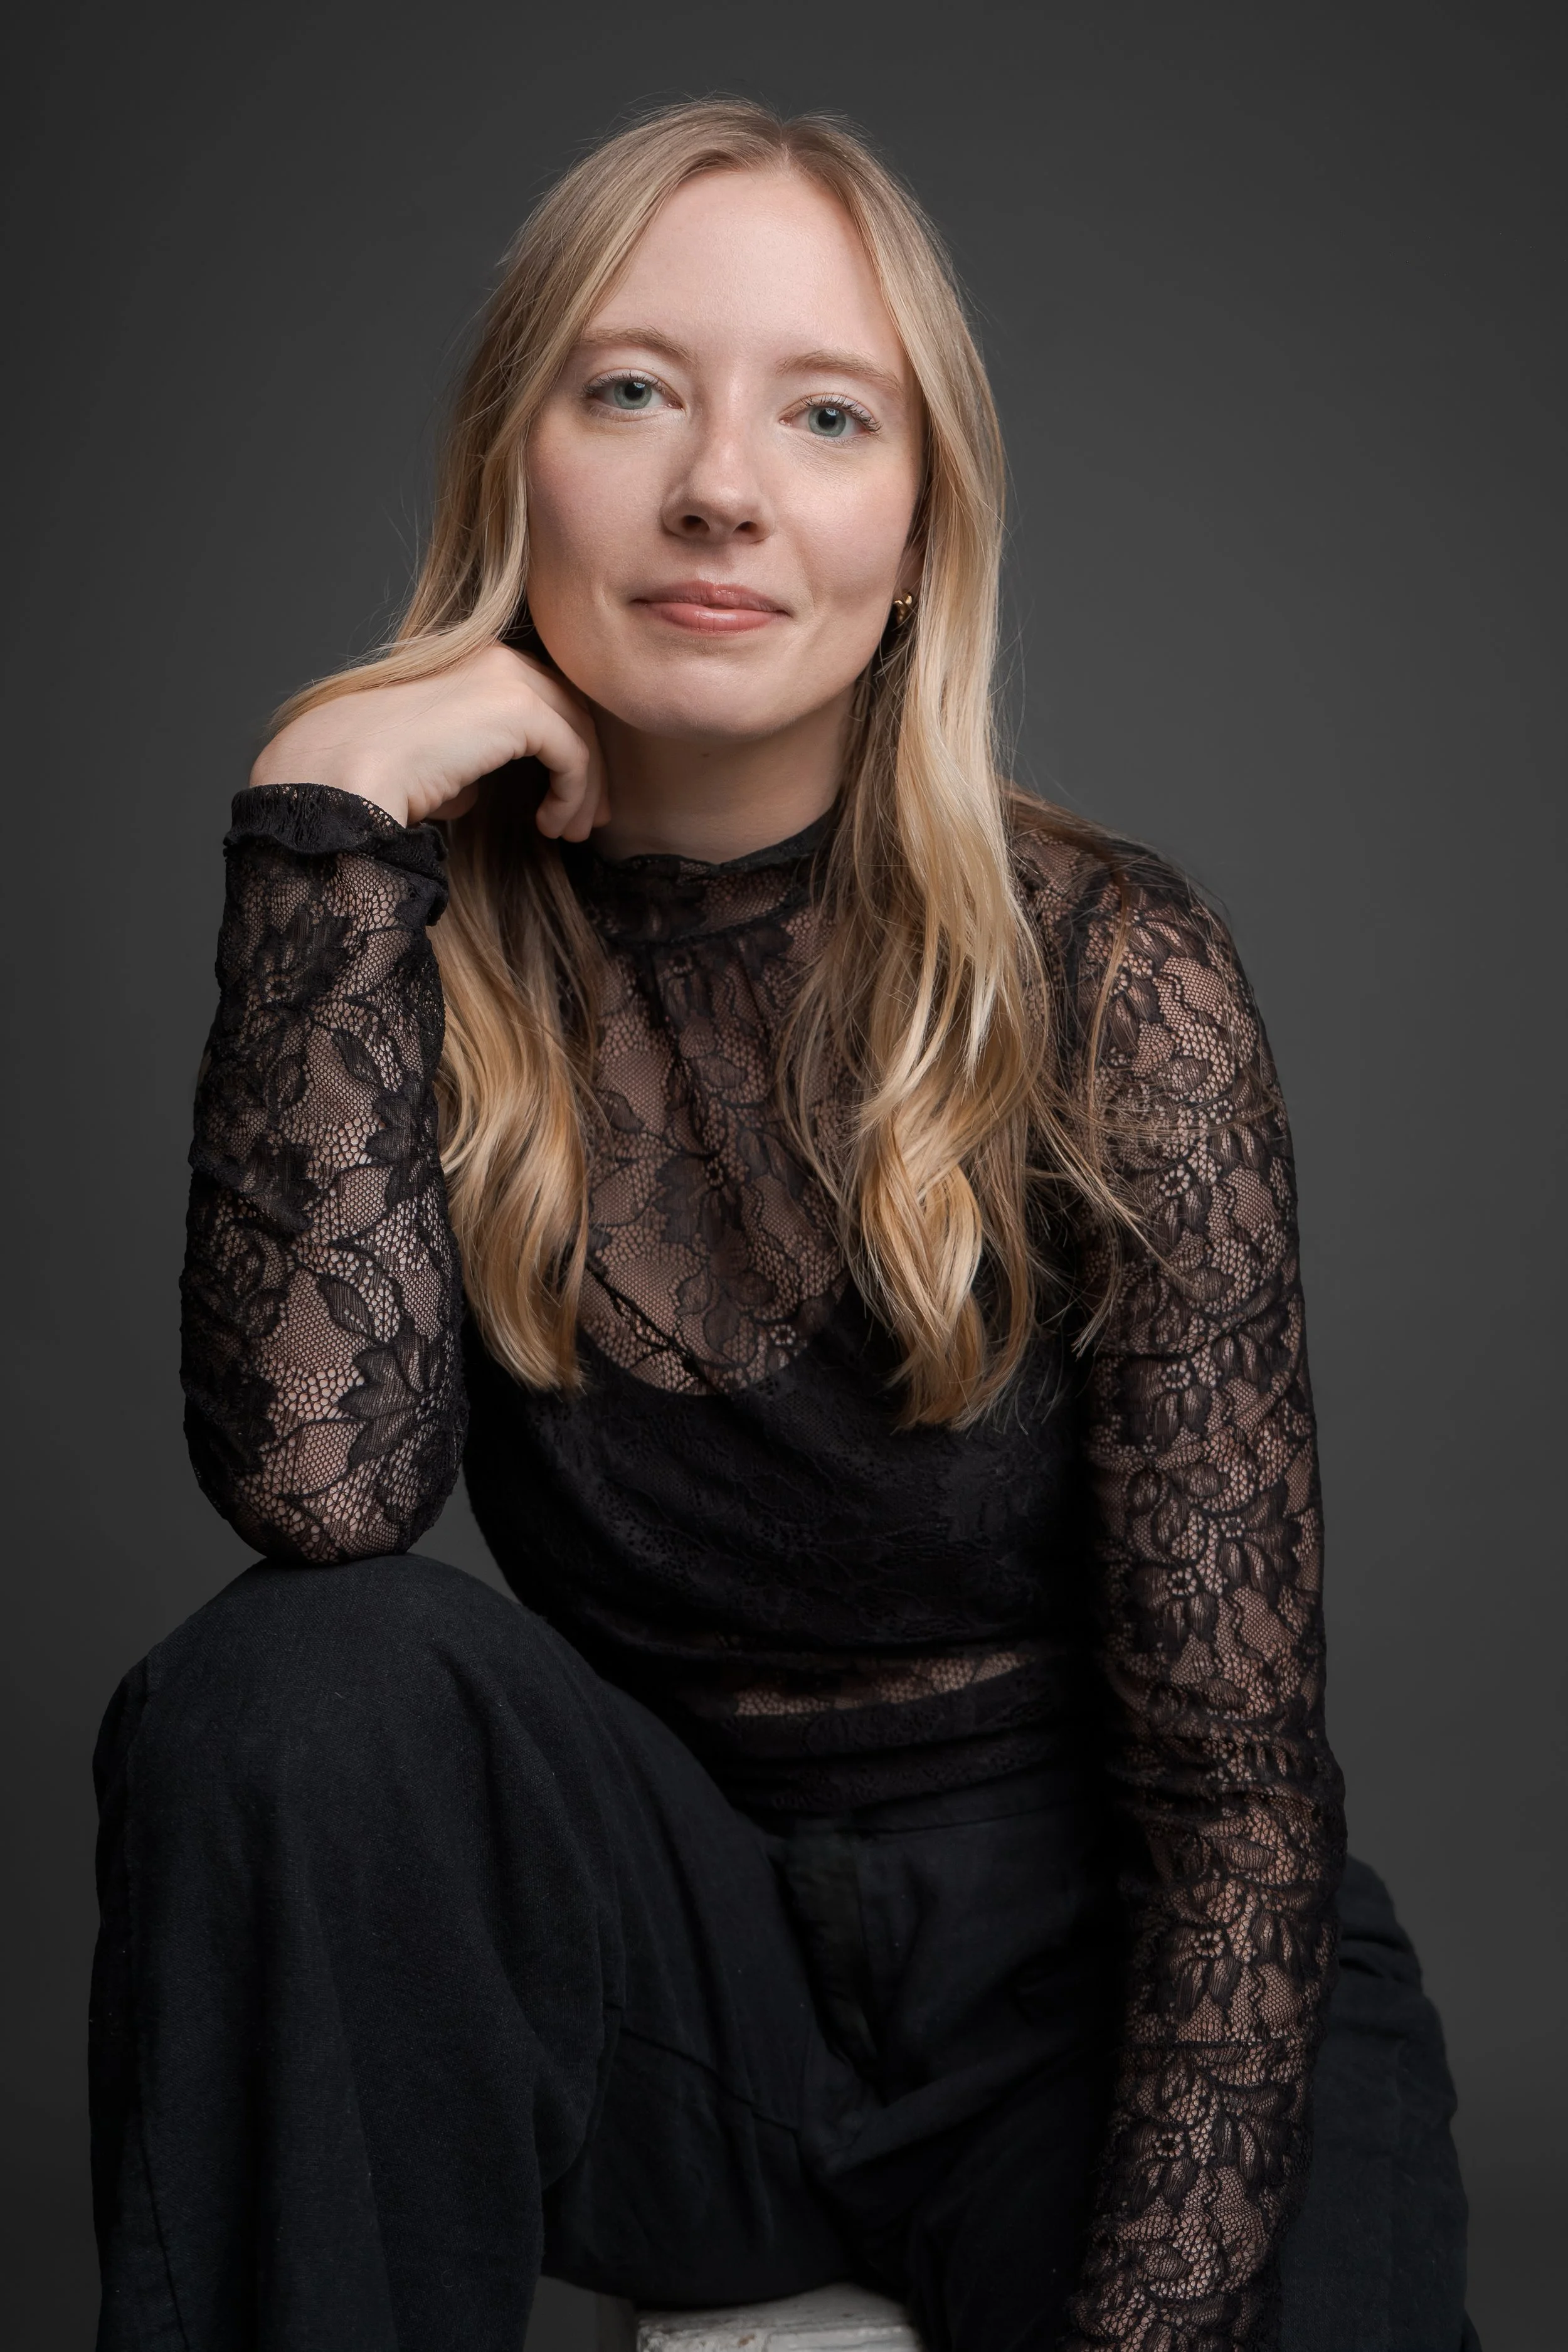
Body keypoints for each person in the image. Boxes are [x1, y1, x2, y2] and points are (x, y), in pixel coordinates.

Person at [89, 100, 1473, 2352]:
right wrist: (320, 812)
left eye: (826, 415)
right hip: (686, 1991)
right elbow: (319, 1493)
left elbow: (1232, 1798)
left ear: (919, 530)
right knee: (286, 1685)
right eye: (631, 389)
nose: (720, 487)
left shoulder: (1112, 972)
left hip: (1114, 2000)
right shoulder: (398, 931)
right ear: (511, 465)